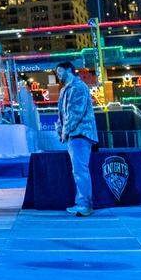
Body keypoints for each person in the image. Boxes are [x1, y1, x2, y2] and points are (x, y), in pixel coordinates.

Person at [54, 62, 98, 217]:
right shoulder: (65, 89)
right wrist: (60, 130)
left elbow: (75, 114)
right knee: (78, 171)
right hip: (73, 134)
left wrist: (64, 132)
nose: (57, 74)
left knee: (80, 171)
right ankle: (81, 202)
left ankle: (85, 205)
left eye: (59, 71)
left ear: (68, 70)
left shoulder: (78, 87)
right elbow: (62, 113)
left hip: (80, 134)